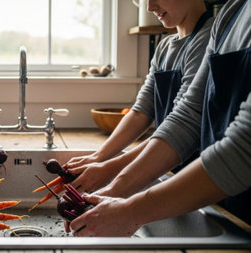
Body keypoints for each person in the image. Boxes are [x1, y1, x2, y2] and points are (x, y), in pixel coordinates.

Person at [68, 0, 251, 236]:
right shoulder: (229, 17)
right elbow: (187, 119)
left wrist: (129, 208)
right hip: (219, 197)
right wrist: (113, 188)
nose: (148, 7)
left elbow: (243, 148)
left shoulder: (210, 30)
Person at [64, 0, 214, 193]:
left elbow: (180, 128)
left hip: (196, 174)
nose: (150, 7)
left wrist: (108, 169)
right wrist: (99, 156)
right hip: (165, 168)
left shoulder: (209, 40)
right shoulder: (165, 47)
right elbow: (140, 111)